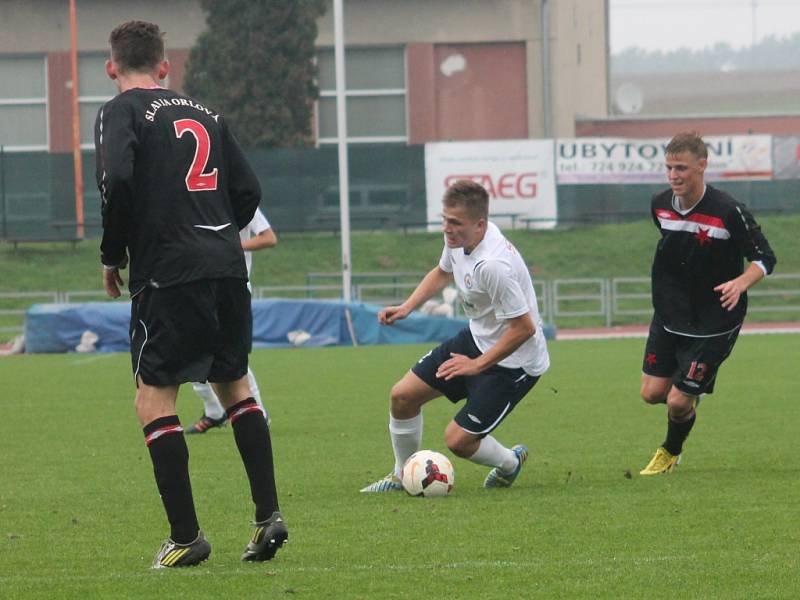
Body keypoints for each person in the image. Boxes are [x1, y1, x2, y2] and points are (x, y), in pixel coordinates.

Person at [95, 21, 287, 568]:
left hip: (168, 271)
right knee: (236, 386)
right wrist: (215, 229)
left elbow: (118, 181)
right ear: (164, 66)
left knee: (153, 399)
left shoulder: (119, 111)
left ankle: (185, 537)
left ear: (112, 68)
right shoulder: (206, 112)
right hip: (226, 266)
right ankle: (268, 515)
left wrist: (114, 255)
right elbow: (248, 192)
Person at [360, 179, 550, 493]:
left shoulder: (493, 265)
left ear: (480, 225)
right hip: (476, 339)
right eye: (445, 220)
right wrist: (408, 307)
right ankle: (402, 477)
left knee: (458, 441)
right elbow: (443, 272)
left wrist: (476, 366)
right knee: (402, 396)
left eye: (455, 223)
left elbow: (524, 328)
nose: (446, 229)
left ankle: (509, 463)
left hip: (515, 363)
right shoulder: (460, 241)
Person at [639, 131, 777, 475]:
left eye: (682, 168)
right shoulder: (659, 205)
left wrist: (741, 283)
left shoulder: (729, 211)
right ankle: (690, 394)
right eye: (669, 168)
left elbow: (765, 257)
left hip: (715, 320)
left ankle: (670, 451)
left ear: (702, 166)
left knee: (677, 400)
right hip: (670, 314)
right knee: (652, 394)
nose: (674, 175)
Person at [187, 207, 276, 434]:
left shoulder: (242, 203)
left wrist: (230, 246)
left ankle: (258, 412)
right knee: (190, 351)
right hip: (198, 285)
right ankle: (214, 411)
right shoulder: (198, 202)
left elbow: (268, 238)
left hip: (233, 286)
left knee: (231, 354)